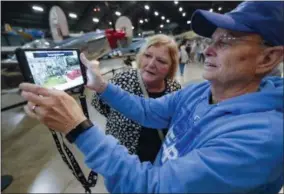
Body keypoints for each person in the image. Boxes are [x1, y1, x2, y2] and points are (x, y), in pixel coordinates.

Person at [19, 1, 283, 193]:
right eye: (211, 40)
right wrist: (101, 86)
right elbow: (148, 111)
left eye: (226, 40)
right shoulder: (198, 91)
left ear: (268, 58)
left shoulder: (261, 137)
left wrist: (78, 129)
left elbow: (152, 188)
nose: (209, 50)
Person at [91, 34, 181, 163]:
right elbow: (100, 104)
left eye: (161, 61)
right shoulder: (121, 80)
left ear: (171, 67)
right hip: (123, 162)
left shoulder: (174, 90)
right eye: (147, 55)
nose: (151, 64)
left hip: (159, 164)